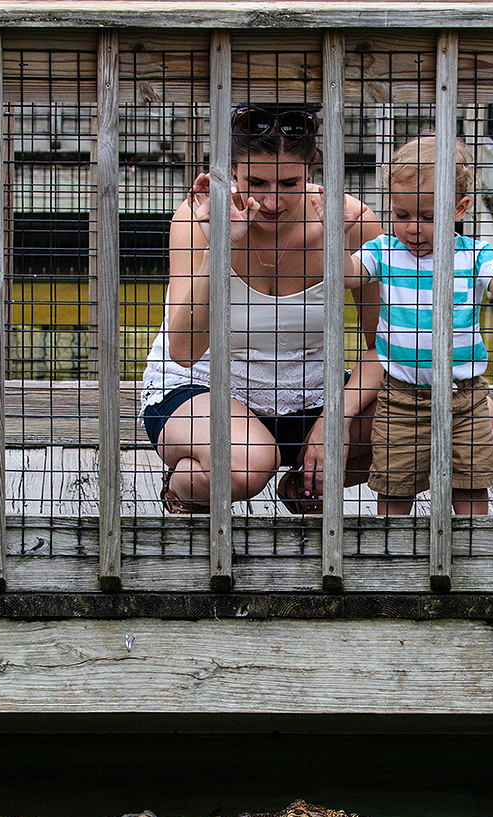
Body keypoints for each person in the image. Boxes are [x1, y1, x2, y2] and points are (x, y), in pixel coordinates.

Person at [140, 104, 383, 515]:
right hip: (205, 393)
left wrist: (337, 415)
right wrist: (221, 245)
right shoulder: (196, 218)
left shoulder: (352, 221)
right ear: (231, 170)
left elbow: (390, 344)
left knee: (468, 422)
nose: (271, 201)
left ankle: (299, 486)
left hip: (315, 398)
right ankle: (186, 486)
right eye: (255, 181)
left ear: (313, 166)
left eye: (289, 182)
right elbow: (182, 349)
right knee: (247, 465)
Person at [338, 135, 493, 516]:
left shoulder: (473, 254)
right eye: (402, 215)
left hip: (464, 400)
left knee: (471, 488)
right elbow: (347, 277)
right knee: (393, 490)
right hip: (398, 398)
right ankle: (391, 566)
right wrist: (340, 236)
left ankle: (471, 563)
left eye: (428, 217)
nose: (413, 228)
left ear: (459, 208)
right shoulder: (383, 250)